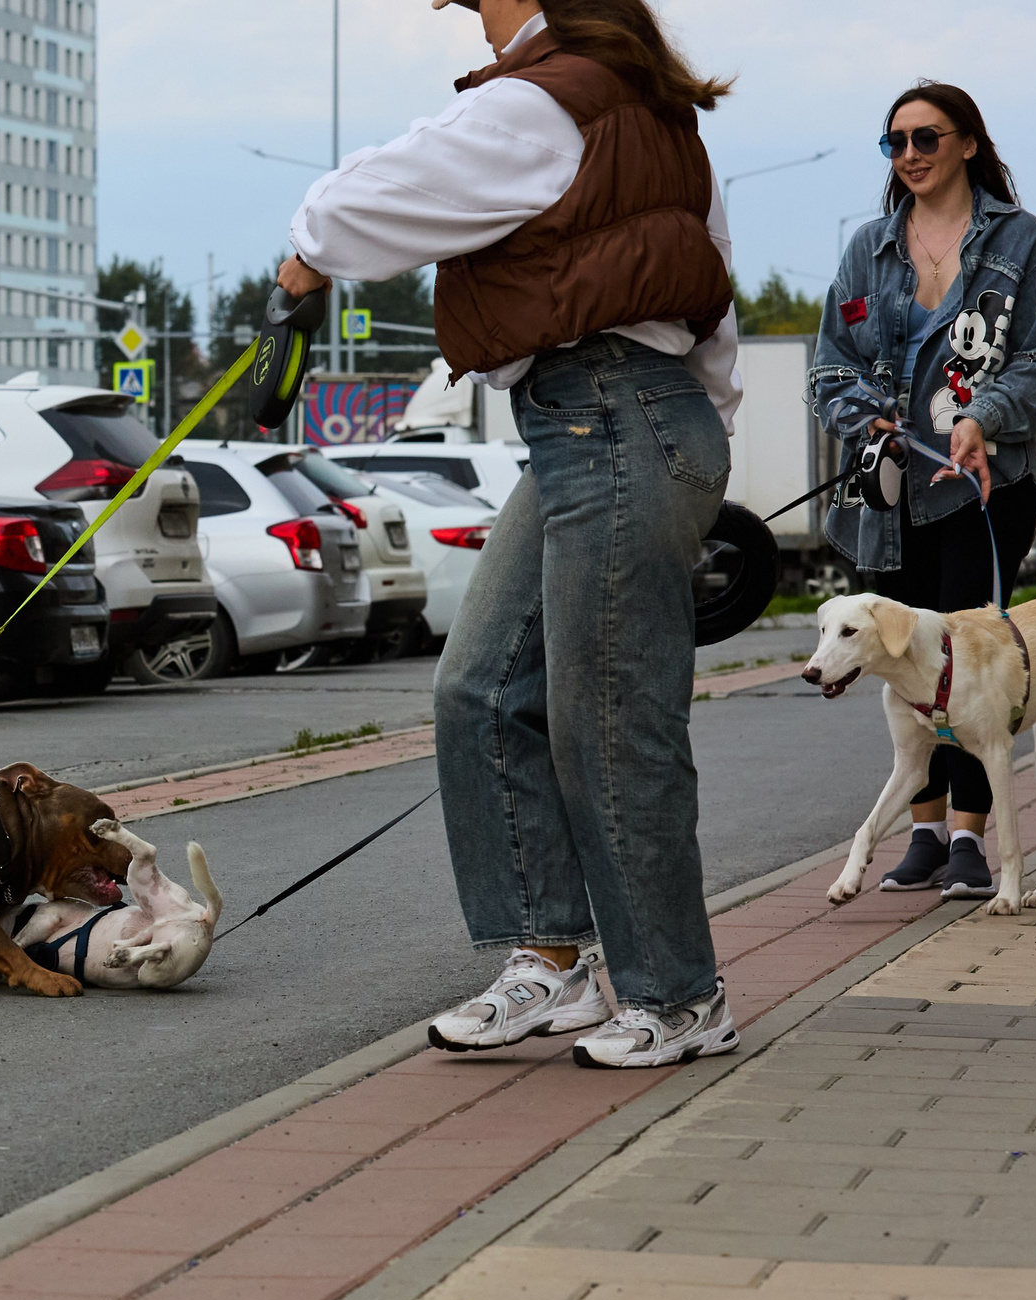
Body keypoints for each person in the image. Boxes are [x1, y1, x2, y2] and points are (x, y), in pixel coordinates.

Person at [281, 0, 742, 1069]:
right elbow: (710, 284)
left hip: (615, 414)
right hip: (608, 420)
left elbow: (359, 203)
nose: (467, 17)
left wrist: (305, 249)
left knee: (609, 723)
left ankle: (679, 998)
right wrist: (698, 435)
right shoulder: (645, 113)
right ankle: (552, 961)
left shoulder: (543, 100)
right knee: (481, 691)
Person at [812, 83, 1036, 898]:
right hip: (890, 493)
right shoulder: (869, 247)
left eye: (925, 139)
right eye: (894, 143)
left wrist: (986, 415)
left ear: (967, 143)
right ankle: (924, 830)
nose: (909, 156)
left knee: (975, 662)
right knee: (901, 662)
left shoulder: (1018, 240)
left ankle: (971, 839)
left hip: (982, 485)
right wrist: (867, 419)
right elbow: (831, 363)